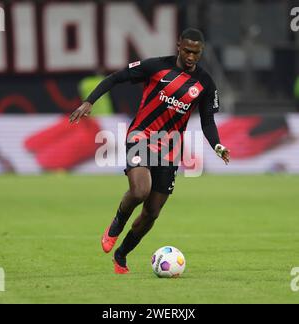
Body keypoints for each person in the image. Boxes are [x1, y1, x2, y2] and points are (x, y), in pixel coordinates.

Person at [70, 28, 230, 274]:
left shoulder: (205, 83)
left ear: (201, 52)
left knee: (152, 213)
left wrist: (217, 145)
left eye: (196, 53)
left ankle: (121, 255)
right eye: (187, 50)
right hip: (141, 136)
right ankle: (116, 225)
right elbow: (116, 78)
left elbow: (207, 120)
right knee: (140, 190)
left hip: (170, 148)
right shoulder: (156, 67)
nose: (190, 57)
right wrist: (89, 101)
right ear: (178, 46)